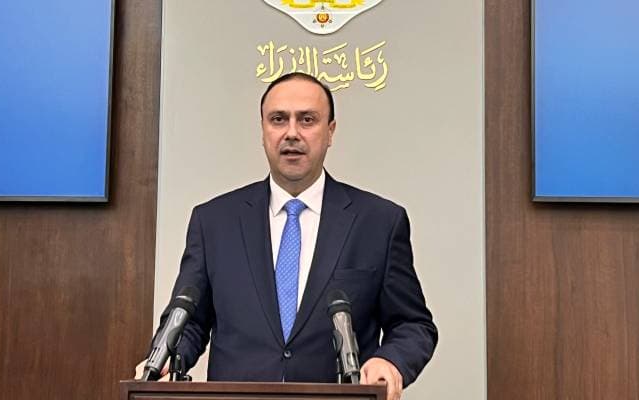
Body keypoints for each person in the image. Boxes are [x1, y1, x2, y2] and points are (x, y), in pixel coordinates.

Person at [135, 72, 438, 400]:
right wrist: (166, 361)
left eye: (307, 120)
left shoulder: (378, 222)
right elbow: (189, 321)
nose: (292, 133)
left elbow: (412, 325)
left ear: (330, 131)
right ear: (263, 130)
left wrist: (389, 361)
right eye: (278, 119)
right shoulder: (214, 222)